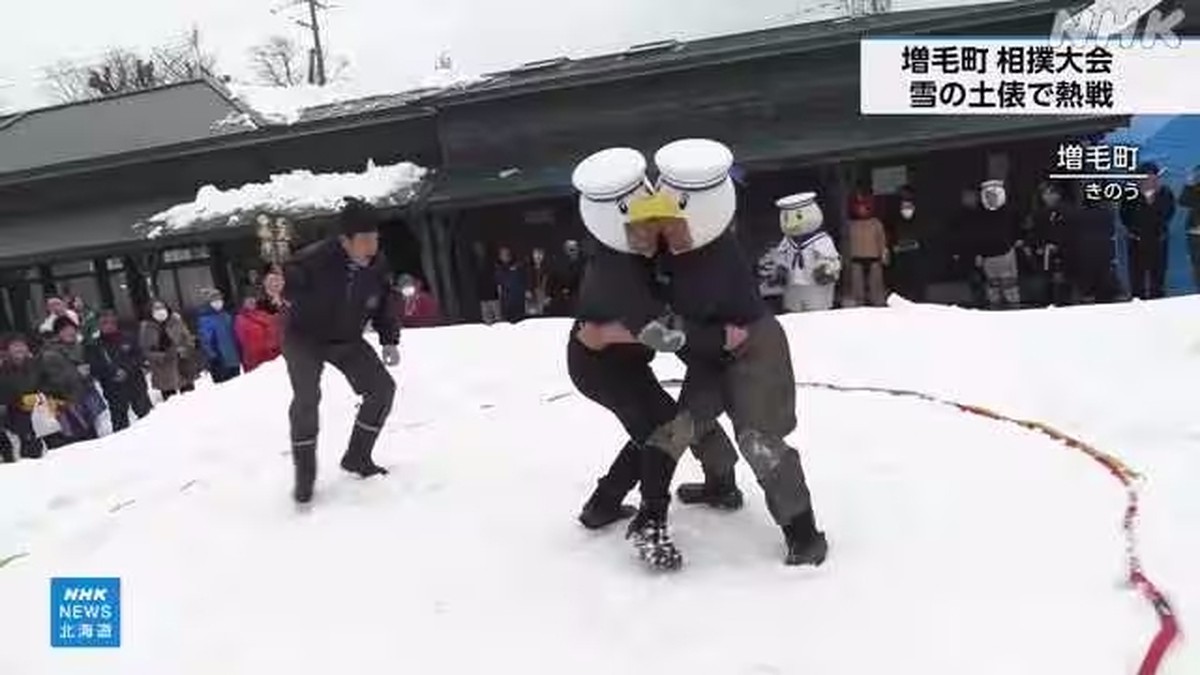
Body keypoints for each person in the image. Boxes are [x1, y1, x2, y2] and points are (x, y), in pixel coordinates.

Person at [570, 140, 826, 571]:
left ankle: (802, 531)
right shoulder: (633, 257)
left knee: (758, 439)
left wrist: (695, 337)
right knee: (679, 429)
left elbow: (677, 331)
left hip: (753, 347)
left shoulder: (714, 256)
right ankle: (714, 489)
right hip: (710, 352)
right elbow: (669, 330)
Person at [281, 196, 401, 505]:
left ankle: (358, 457)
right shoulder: (313, 260)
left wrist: (389, 339)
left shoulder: (378, 264)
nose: (371, 247)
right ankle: (304, 476)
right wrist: (281, 285)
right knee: (307, 398)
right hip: (304, 338)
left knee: (382, 389)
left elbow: (384, 302)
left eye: (375, 238)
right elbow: (286, 284)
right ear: (344, 240)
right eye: (364, 240)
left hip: (346, 338)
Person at [762, 192, 841, 312]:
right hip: (793, 285)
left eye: (798, 217)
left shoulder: (821, 240)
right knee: (794, 313)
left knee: (817, 313)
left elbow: (831, 259)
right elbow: (781, 256)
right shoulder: (787, 241)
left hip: (814, 284)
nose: (792, 224)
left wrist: (826, 269)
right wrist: (780, 269)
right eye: (787, 218)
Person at [39, 317, 106, 445]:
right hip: (66, 405)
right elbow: (53, 381)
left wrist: (89, 374)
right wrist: (77, 373)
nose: (70, 332)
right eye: (65, 330)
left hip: (84, 400)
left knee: (93, 438)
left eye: (72, 329)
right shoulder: (50, 354)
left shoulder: (79, 347)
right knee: (77, 443)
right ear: (58, 333)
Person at [89, 310, 153, 432]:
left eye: (111, 321)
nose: (108, 325)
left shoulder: (128, 337)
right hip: (114, 390)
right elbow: (94, 367)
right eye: (104, 322)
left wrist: (126, 370)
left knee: (147, 418)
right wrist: (112, 373)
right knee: (120, 426)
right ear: (99, 325)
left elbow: (139, 357)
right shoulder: (95, 346)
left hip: (136, 385)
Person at [1120, 162, 1175, 300]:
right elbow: (1124, 215)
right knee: (1136, 275)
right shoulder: (1131, 193)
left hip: (1158, 239)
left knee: (1158, 276)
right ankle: (1137, 301)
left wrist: (1152, 201)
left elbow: (1168, 213)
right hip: (1136, 240)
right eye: (1145, 176)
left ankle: (1158, 300)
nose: (1149, 179)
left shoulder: (1165, 192)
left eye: (1152, 176)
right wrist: (1133, 230)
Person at [974, 179, 1023, 309]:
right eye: (988, 196)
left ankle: (1014, 312)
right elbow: (976, 237)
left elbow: (1018, 231)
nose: (991, 199)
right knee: (992, 288)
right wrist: (977, 254)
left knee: (1010, 287)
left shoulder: (1010, 212)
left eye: (994, 196)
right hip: (987, 257)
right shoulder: (979, 215)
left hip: (1006, 254)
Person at [0, 336, 48, 460]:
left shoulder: (36, 365)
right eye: (14, 345)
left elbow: (47, 383)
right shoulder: (3, 370)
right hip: (17, 418)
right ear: (7, 350)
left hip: (41, 414)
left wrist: (41, 395)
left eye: (22, 345)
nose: (19, 348)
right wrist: (22, 401)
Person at [139, 300, 198, 401]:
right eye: (156, 309)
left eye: (162, 307)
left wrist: (186, 348)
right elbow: (146, 351)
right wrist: (163, 356)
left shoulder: (176, 320)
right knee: (171, 403)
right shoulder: (147, 328)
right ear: (151, 312)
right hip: (163, 371)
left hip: (183, 366)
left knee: (190, 398)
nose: (160, 311)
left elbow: (187, 338)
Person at [842, 191, 889, 307]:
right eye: (859, 206)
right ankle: (859, 304)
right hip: (856, 259)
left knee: (876, 286)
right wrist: (845, 258)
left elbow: (882, 240)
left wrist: (884, 254)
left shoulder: (876, 223)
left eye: (864, 206)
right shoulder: (850, 225)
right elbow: (846, 243)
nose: (861, 209)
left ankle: (878, 304)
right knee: (857, 286)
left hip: (874, 258)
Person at [885, 186, 929, 302]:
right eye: (904, 207)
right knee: (902, 281)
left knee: (917, 281)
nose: (906, 209)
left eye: (909, 206)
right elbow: (891, 235)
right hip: (901, 255)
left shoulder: (920, 218)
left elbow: (923, 236)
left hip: (916, 255)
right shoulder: (895, 218)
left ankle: (918, 300)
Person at [197, 289, 242, 384]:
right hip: (220, 361)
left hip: (233, 359)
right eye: (214, 300)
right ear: (209, 302)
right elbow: (205, 340)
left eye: (219, 299)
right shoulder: (205, 319)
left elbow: (235, 335)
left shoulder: (227, 316)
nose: (217, 302)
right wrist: (213, 356)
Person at [235, 295, 283, 373]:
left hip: (269, 353)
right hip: (253, 356)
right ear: (243, 304)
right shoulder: (240, 319)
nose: (251, 303)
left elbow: (274, 330)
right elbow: (241, 340)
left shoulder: (263, 314)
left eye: (253, 301)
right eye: (248, 302)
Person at [549, 239, 585, 316]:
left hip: (577, 299)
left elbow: (584, 282)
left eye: (575, 249)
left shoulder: (583, 265)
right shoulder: (558, 265)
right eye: (570, 249)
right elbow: (553, 280)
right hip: (559, 300)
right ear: (565, 250)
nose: (573, 252)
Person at [471, 241, 502, 325]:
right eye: (477, 249)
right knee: (486, 318)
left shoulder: (491, 261)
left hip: (493, 293)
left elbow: (496, 276)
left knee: (498, 318)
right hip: (483, 294)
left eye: (480, 248)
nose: (478, 250)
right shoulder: (474, 262)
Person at [1180, 165, 1200, 291]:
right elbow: (1183, 201)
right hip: (1196, 235)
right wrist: (1189, 183)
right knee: (1197, 267)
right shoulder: (1196, 187)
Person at [495, 246, 527, 323]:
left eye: (507, 254)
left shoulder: (519, 267)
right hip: (506, 302)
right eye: (503, 255)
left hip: (518, 300)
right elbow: (499, 284)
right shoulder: (498, 269)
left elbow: (524, 281)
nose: (505, 256)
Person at [525, 248, 552, 317]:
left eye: (540, 254)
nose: (538, 257)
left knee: (542, 314)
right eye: (536, 254)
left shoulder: (548, 269)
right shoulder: (528, 268)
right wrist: (527, 290)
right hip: (531, 294)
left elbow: (551, 283)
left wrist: (549, 295)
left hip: (543, 293)